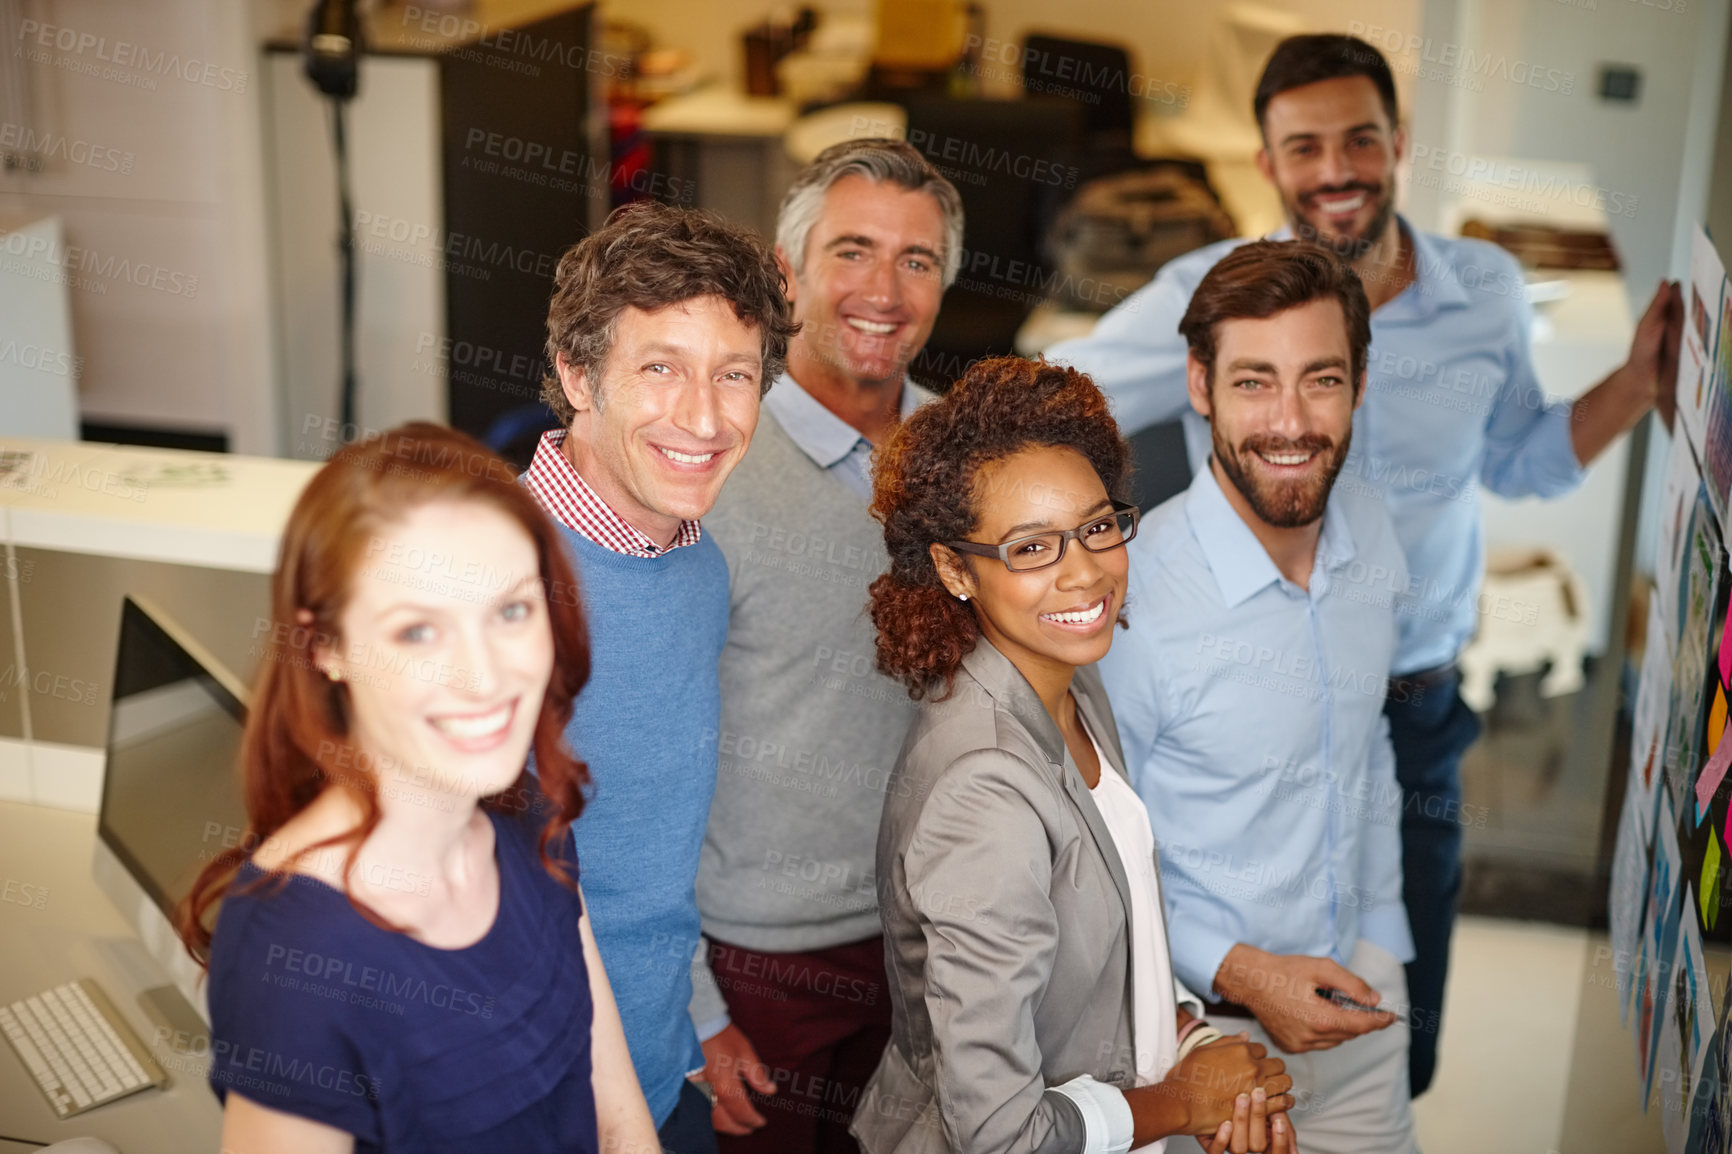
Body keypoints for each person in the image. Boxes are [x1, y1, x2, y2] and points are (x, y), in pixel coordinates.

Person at [1046, 33, 1684, 1096]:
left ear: (1400, 143)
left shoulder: (1482, 287)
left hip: (1414, 698)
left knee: (1398, 1015)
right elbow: (1053, 404)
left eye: (1358, 138)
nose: (1334, 168)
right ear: (1267, 162)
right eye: (1304, 146)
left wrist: (1636, 380)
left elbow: (1523, 458)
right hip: (1241, 694)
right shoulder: (1208, 294)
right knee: (1223, 1018)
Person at [855, 355, 1298, 1154]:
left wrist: (1192, 1043)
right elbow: (998, 1132)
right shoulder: (982, 788)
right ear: (956, 568)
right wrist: (1184, 1104)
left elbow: (1099, 959)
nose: (1086, 571)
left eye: (1097, 526)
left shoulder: (1070, 689)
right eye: (1031, 549)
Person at [176, 423, 660, 1153]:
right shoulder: (296, 953)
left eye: (511, 611)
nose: (486, 677)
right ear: (325, 648)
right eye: (418, 632)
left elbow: (616, 1111)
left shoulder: (525, 815)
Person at [1096, 241, 1415, 1153]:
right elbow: (1095, 849)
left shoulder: (1376, 533)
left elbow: (1369, 750)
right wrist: (1242, 973)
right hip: (1193, 1040)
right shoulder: (1131, 600)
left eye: (1320, 380)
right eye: (1253, 382)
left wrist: (1384, 947)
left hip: (1360, 1010)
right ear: (1200, 387)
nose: (1289, 421)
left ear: (1358, 383)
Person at [693, 137, 959, 1152]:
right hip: (762, 967)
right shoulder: (710, 466)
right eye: (851, 251)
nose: (882, 290)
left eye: (916, 260)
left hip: (933, 944)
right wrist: (693, 1003)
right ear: (787, 271)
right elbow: (629, 763)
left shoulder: (964, 458)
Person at [524, 202, 796, 1153]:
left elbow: (642, 854)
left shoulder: (696, 566)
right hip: (527, 1099)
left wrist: (691, 1019)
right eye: (660, 369)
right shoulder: (492, 579)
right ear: (576, 374)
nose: (705, 418)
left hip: (651, 1067)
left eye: (736, 376)